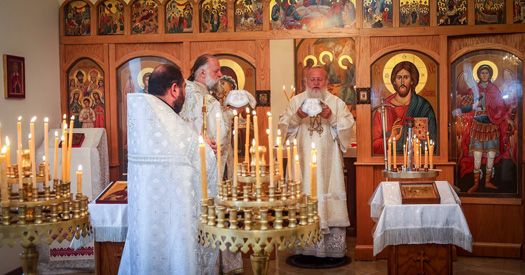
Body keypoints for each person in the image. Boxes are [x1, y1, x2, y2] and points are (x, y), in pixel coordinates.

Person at [118, 64, 220, 275]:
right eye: (183, 89)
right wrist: (205, 148)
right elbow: (202, 161)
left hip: (144, 224)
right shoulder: (170, 123)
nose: (183, 94)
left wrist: (199, 143)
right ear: (174, 89)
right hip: (175, 230)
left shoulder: (142, 117)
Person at [278, 66, 354, 258]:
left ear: (327, 81)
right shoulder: (295, 101)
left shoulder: (336, 103)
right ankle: (303, 248)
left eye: (320, 79)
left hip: (330, 164)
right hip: (301, 161)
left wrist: (332, 117)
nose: (316, 83)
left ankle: (330, 249)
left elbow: (347, 127)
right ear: (305, 81)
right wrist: (298, 116)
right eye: (312, 79)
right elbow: (283, 128)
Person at [459, 65, 514, 194]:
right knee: (477, 157)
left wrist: (508, 119)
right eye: (482, 73)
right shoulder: (473, 91)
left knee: (491, 155)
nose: (484, 75)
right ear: (479, 75)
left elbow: (501, 108)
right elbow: (463, 108)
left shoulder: (494, 90)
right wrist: (475, 105)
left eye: (486, 73)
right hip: (477, 125)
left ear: (490, 75)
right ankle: (476, 184)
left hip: (492, 126)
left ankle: (488, 182)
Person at [372, 61, 437, 155]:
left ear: (412, 80)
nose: (402, 82)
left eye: (406, 77)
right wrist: (391, 138)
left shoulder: (423, 107)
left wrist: (411, 139)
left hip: (417, 163)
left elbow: (432, 142)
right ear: (394, 81)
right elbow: (374, 144)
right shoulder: (384, 108)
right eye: (399, 78)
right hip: (389, 161)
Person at [180, 54, 227, 168]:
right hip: (203, 165)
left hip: (182, 164)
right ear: (202, 73)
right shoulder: (209, 101)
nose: (220, 75)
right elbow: (220, 137)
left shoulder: (179, 93)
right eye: (216, 71)